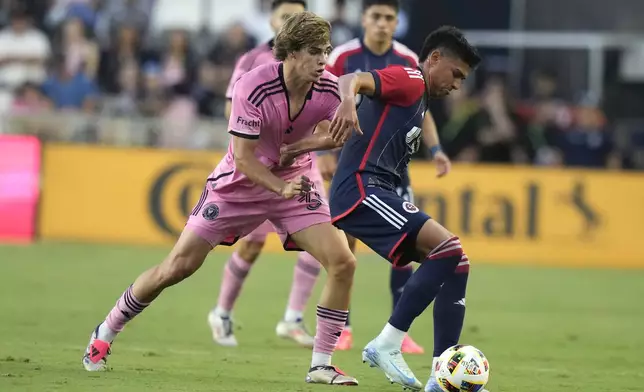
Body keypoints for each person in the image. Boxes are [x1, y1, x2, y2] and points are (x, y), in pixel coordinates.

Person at [82, 11, 359, 386]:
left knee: (343, 261)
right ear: (292, 52)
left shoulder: (328, 87)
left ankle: (321, 364)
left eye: (326, 51)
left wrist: (302, 144)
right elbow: (244, 159)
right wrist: (278, 185)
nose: (323, 60)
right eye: (315, 52)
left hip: (296, 181)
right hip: (239, 188)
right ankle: (107, 328)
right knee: (176, 267)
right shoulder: (253, 85)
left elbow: (337, 134)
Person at [280, 26, 483, 391]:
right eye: (456, 74)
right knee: (448, 247)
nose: (457, 85)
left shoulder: (421, 101)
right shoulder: (410, 79)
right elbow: (352, 79)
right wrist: (346, 104)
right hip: (360, 189)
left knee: (457, 261)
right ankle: (387, 343)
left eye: (463, 80)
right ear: (434, 59)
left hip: (377, 190)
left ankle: (443, 372)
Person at [321, 0, 437, 353]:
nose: (383, 24)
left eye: (389, 18)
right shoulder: (342, 57)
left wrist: (437, 150)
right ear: (364, 19)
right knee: (346, 248)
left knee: (406, 245)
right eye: (376, 17)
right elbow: (322, 101)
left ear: (397, 22)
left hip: (395, 167)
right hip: (352, 167)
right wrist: (324, 151)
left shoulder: (407, 60)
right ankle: (342, 327)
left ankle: (399, 333)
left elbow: (422, 110)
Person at [208, 0, 321, 348]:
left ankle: (293, 318)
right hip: (261, 169)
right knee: (252, 246)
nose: (289, 22)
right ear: (271, 20)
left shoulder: (315, 64)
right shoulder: (252, 61)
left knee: (320, 241)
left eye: (296, 17)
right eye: (284, 16)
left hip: (302, 165)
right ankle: (222, 312)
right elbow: (233, 110)